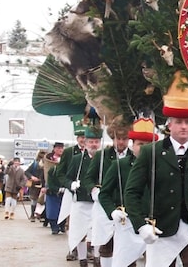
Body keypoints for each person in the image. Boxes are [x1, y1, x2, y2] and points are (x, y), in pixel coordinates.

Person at [125, 72, 188, 267]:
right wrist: (140, 225)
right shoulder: (151, 152)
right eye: (179, 122)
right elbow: (132, 192)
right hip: (161, 228)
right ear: (170, 124)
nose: (184, 127)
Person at [98, 114, 158, 267]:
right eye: (140, 144)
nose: (143, 148)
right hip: (128, 222)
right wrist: (112, 211)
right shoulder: (120, 165)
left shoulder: (162, 167)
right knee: (125, 261)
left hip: (153, 224)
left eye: (147, 144)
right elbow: (104, 193)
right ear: (133, 144)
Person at [83, 116, 133, 267]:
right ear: (113, 137)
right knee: (106, 244)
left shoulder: (133, 157)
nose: (121, 142)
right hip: (105, 203)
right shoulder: (102, 155)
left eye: (124, 138)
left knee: (128, 245)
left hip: (126, 205)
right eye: (118, 138)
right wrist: (94, 189)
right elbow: (88, 178)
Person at [65, 124, 103, 267]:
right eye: (91, 142)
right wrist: (71, 184)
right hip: (81, 200)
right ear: (85, 143)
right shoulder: (77, 159)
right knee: (79, 231)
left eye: (96, 142)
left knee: (99, 230)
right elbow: (66, 177)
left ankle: (98, 258)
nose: (94, 145)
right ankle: (82, 259)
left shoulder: (104, 158)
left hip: (98, 201)